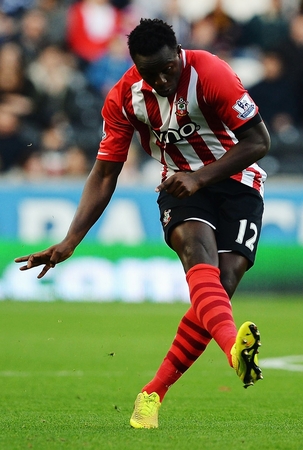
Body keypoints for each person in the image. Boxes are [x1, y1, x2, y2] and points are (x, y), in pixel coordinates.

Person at [14, 18, 271, 430]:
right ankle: (232, 352)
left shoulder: (211, 73)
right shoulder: (122, 98)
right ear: (135, 65)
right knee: (196, 250)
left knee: (221, 286)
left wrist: (201, 176)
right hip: (178, 185)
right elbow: (103, 174)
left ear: (179, 55)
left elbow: (259, 142)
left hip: (238, 180)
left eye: (168, 68)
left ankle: (152, 393)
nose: (163, 78)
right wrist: (70, 240)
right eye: (151, 72)